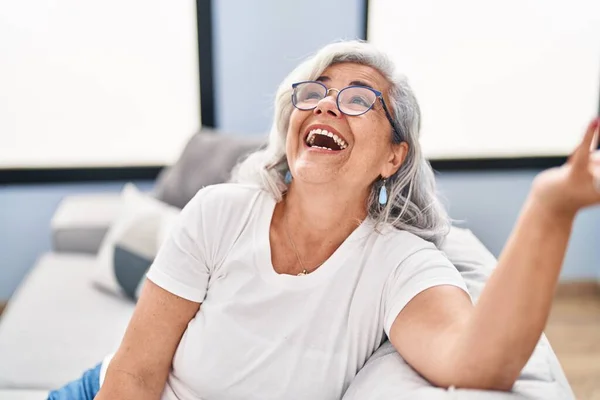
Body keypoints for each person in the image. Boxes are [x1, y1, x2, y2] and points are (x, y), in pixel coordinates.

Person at [48, 40, 600, 400]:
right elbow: (135, 372)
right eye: (315, 93)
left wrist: (549, 210)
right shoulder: (219, 212)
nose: (326, 106)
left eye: (359, 100)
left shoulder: (398, 263)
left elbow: (478, 362)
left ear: (393, 157)